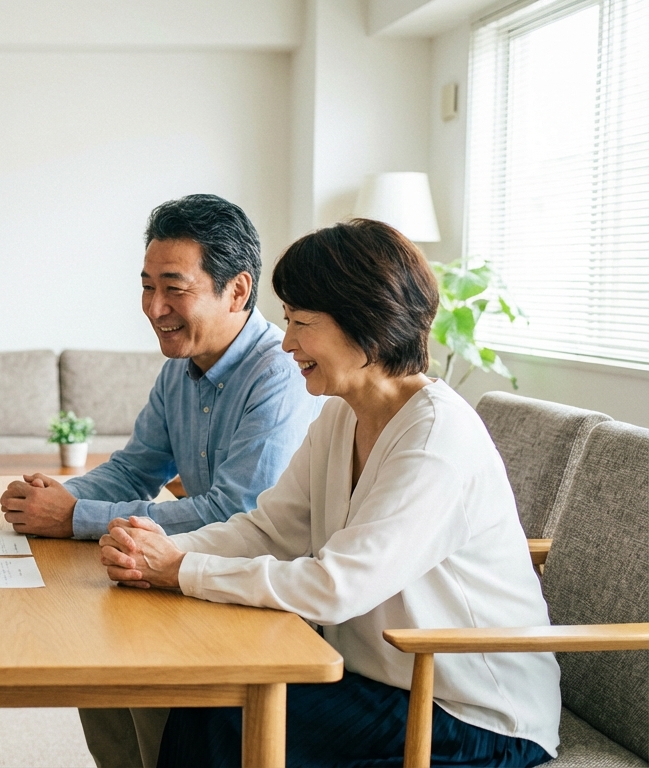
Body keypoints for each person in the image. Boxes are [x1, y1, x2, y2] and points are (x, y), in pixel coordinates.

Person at [100, 219, 559, 767]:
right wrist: (163, 549)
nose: (287, 340)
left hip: (472, 715)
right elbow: (269, 529)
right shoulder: (343, 415)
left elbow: (337, 586)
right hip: (382, 683)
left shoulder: (436, 440)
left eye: (302, 323)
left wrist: (181, 570)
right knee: (212, 694)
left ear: (366, 323)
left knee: (221, 712)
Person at [0, 194, 320, 768]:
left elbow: (238, 511)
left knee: (133, 667)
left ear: (238, 290)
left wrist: (73, 518)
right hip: (200, 567)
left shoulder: (281, 374)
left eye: (174, 287)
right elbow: (137, 466)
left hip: (262, 587)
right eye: (147, 286)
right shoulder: (180, 367)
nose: (154, 307)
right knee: (93, 660)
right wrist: (62, 496)